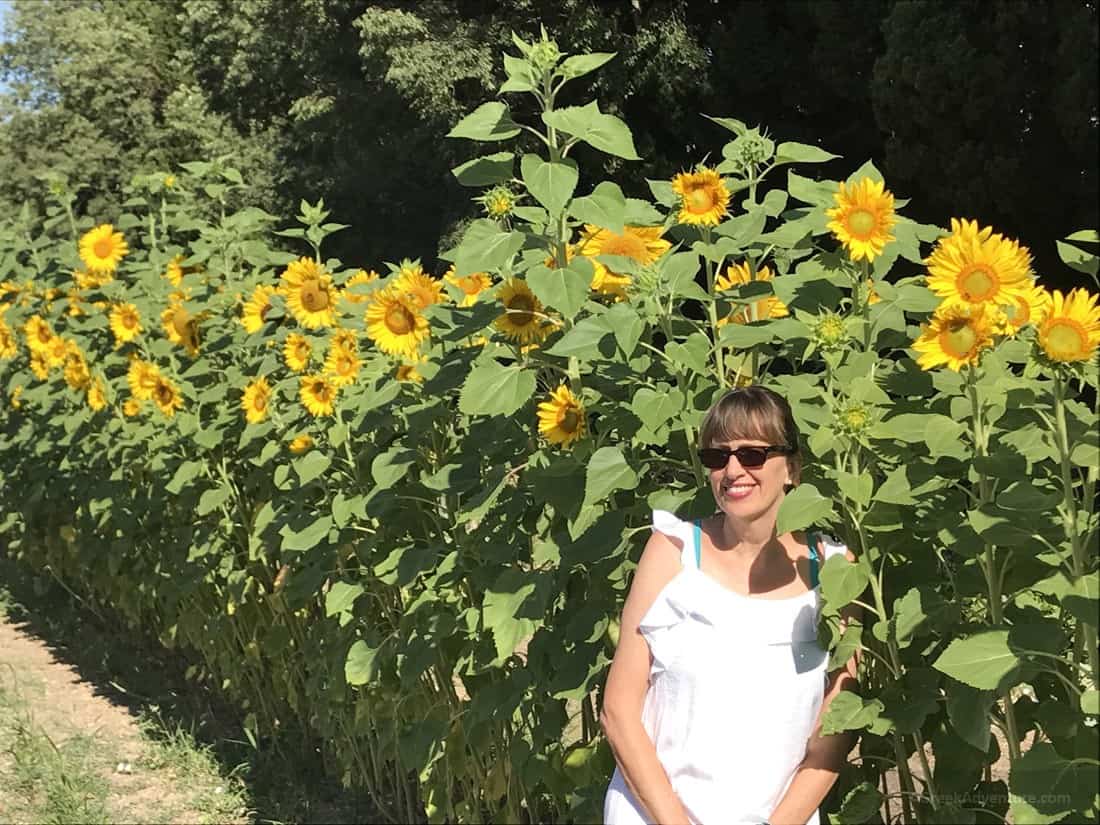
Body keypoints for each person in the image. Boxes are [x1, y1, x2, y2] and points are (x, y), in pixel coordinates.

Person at [600, 386, 860, 825]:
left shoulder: (834, 570)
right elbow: (619, 711)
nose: (733, 470)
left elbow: (836, 727)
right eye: (717, 458)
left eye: (753, 455)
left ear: (792, 468)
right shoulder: (673, 553)